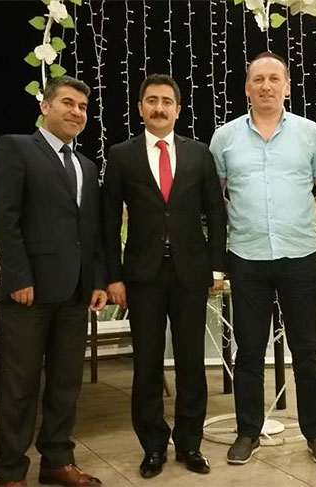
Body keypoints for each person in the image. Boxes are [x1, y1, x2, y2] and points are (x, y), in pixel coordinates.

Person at [209, 52, 316, 465]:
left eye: (274, 79)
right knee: (248, 350)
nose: (266, 86)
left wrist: (303, 222)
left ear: (287, 86)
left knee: (307, 350)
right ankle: (248, 432)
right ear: (247, 87)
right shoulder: (224, 138)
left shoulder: (310, 133)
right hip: (246, 256)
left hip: (301, 254)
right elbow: (217, 198)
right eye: (258, 79)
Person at [101, 74, 226, 479]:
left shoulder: (199, 154)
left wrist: (217, 266)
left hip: (191, 273)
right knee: (147, 364)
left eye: (166, 101)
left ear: (178, 109)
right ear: (140, 108)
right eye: (152, 100)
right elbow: (107, 222)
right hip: (143, 276)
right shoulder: (121, 155)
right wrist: (113, 277)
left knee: (191, 363)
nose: (159, 108)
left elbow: (216, 213)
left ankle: (190, 444)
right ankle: (153, 446)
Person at [0, 75, 107, 487]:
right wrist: (18, 276)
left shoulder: (86, 166)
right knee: (19, 386)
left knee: (65, 384)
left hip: (75, 293)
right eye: (68, 103)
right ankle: (10, 471)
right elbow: (4, 219)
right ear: (45, 106)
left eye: (83, 107)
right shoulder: (16, 148)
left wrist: (96, 280)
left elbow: (90, 231)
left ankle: (57, 460)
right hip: (29, 293)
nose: (77, 112)